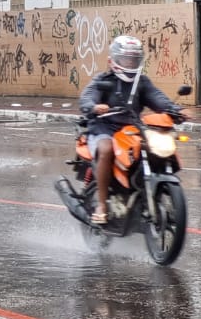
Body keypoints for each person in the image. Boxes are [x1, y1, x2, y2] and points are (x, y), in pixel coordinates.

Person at [78, 35, 185, 225]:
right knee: (106, 149)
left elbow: (157, 98)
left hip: (130, 129)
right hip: (103, 128)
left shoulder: (141, 82)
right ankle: (102, 205)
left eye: (134, 59)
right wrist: (94, 106)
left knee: (151, 148)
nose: (130, 62)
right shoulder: (103, 80)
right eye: (126, 58)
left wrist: (175, 110)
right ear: (114, 60)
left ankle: (143, 190)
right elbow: (88, 97)